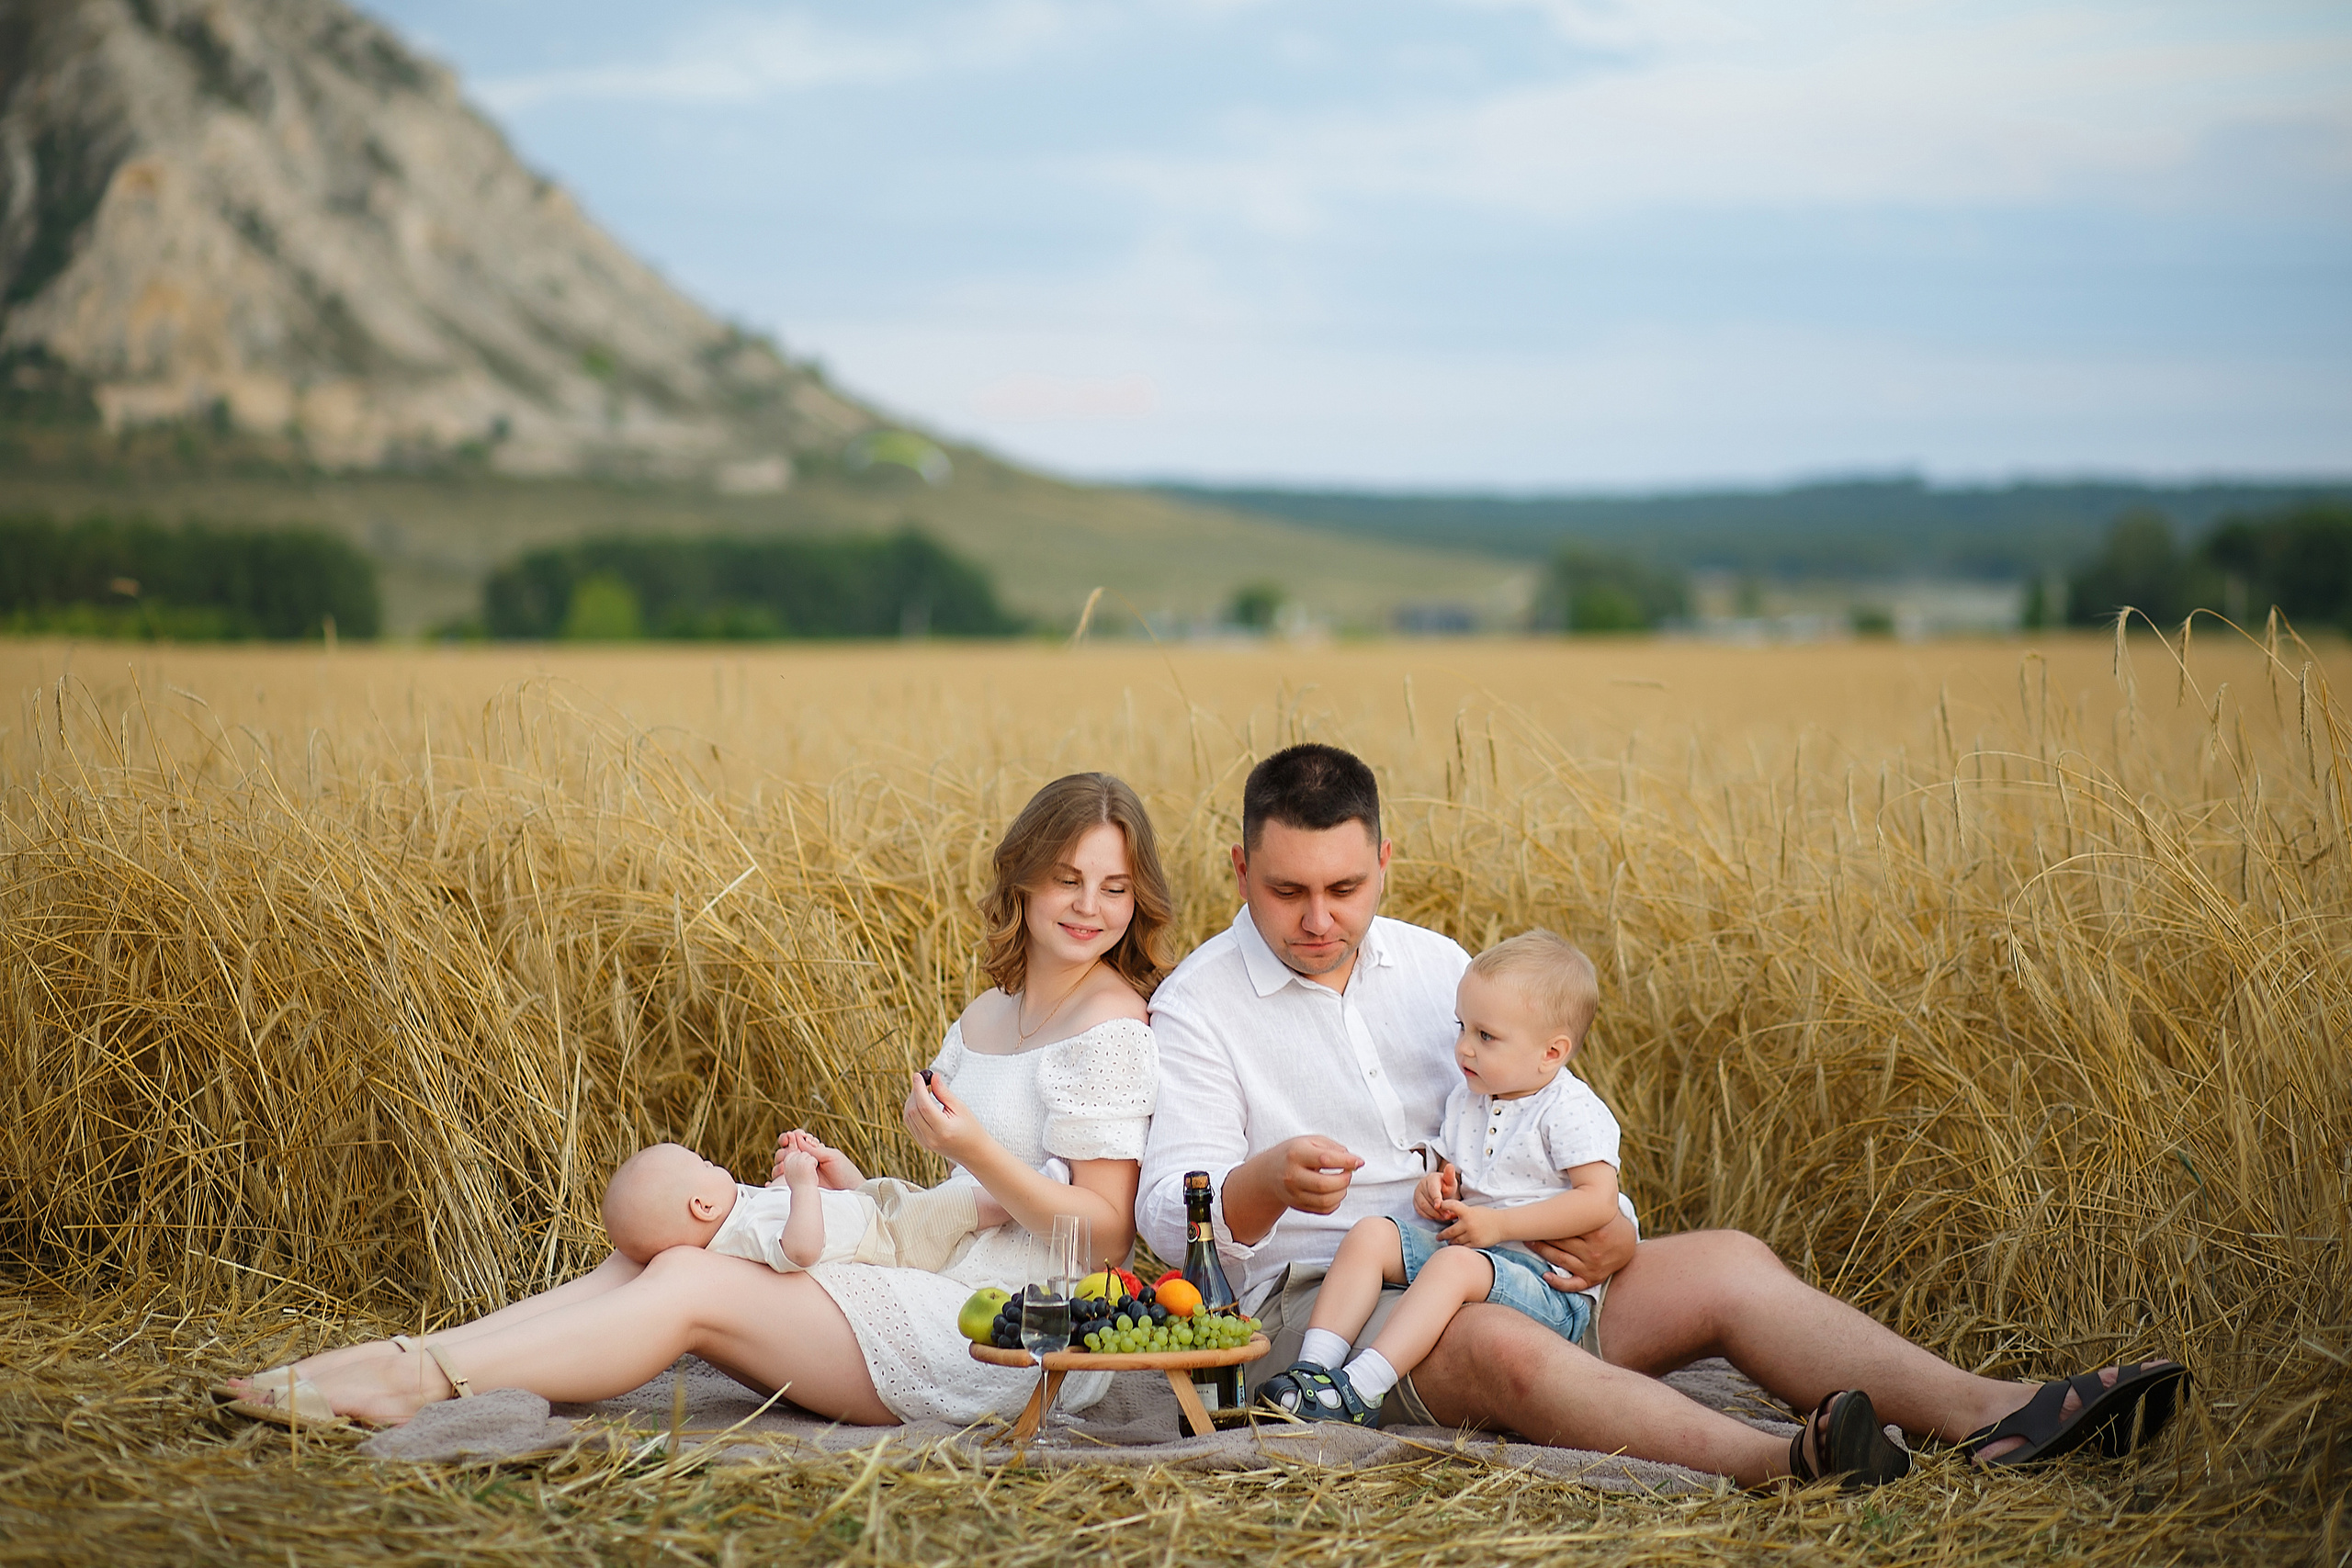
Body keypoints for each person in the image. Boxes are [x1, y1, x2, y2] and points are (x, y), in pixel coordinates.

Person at [1139, 742, 2186, 1486]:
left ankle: (1996, 1414)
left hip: (1507, 1253)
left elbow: (1537, 1113)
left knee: (1727, 1258)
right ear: (1239, 870)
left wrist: (1611, 1226)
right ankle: (1787, 1460)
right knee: (1498, 1343)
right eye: (1287, 893)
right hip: (1327, 1301)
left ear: (1385, 863)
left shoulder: (1438, 966)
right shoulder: (1197, 1004)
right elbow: (1162, 1216)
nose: (1321, 919)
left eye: (1346, 887)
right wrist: (1267, 1178)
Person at [220, 772, 1170, 1432]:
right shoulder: (987, 1013)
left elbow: (1098, 1238)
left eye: (1115, 887)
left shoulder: (1110, 1026)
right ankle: (407, 1354)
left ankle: (413, 1386)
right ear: (1023, 878)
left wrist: (969, 1151)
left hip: (1017, 1333)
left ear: (1140, 897)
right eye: (1068, 879)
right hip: (939, 1277)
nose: (1090, 906)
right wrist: (858, 1185)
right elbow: (961, 1208)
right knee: (666, 1245)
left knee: (689, 1283)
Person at [1254, 931, 1645, 1432]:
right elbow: (1458, 1172)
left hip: (1542, 1283)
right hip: (1477, 1252)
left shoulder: (1569, 1110)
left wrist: (1498, 1226)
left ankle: (1361, 1388)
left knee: (1455, 1265)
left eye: (1485, 1037)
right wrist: (1438, 1189)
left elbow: (1597, 1202)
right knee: (1373, 1233)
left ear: (1552, 1052)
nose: (1462, 1048)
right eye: (1462, 1027)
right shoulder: (1471, 1098)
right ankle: (1312, 1370)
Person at [600, 1133, 1009, 1273]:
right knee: (956, 1204)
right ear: (702, 1206)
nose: (713, 1162)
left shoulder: (739, 1213)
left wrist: (801, 1179)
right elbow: (801, 1249)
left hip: (869, 1210)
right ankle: (1021, 1197)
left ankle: (1016, 1198)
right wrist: (801, 1186)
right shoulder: (743, 1235)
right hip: (890, 1241)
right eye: (704, 1164)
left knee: (926, 1199)